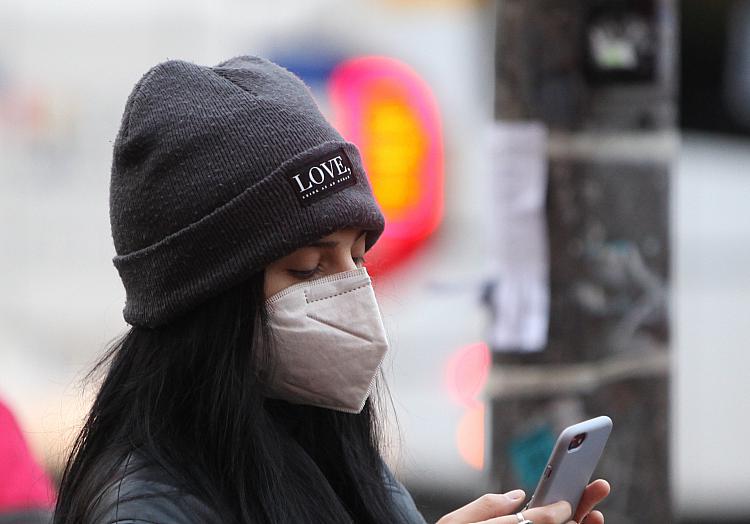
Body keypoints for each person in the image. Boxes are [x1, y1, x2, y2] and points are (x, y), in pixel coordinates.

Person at [53, 55, 609, 524]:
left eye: (359, 257)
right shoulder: (145, 508)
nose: (351, 292)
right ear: (207, 300)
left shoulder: (340, 458)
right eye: (306, 270)